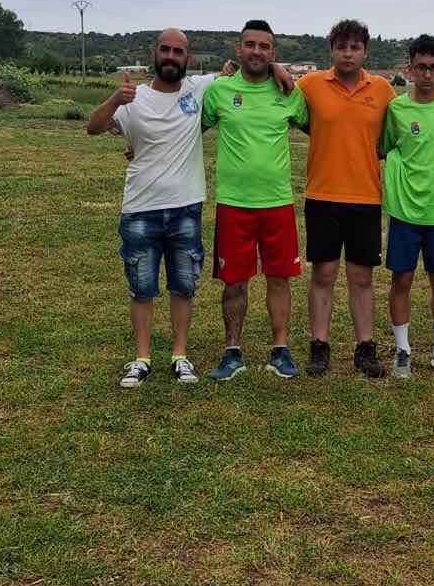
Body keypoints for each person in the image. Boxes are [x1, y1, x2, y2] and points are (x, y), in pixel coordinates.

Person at [86, 29, 213, 388]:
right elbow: (93, 127)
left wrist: (279, 70)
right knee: (141, 287)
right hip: (140, 208)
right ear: (153, 53)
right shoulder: (132, 98)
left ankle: (180, 355)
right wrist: (115, 99)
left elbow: (242, 71)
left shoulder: (198, 89)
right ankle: (141, 359)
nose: (171, 56)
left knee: (184, 285)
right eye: (165, 50)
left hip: (186, 206)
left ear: (188, 58)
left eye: (178, 51)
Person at [200, 20, 310, 381]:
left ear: (273, 53)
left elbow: (321, 127)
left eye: (264, 47)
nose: (256, 51)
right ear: (238, 49)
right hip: (234, 203)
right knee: (235, 281)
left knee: (280, 278)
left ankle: (280, 351)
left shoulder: (288, 92)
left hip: (277, 202)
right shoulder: (219, 90)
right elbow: (186, 130)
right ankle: (232, 352)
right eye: (250, 45)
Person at [296, 18, 395, 378]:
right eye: (341, 47)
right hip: (322, 194)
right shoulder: (309, 85)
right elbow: (279, 95)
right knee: (323, 273)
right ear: (332, 51)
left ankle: (365, 348)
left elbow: (398, 128)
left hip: (365, 196)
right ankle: (319, 346)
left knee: (361, 277)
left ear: (365, 51)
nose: (348, 53)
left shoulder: (382, 89)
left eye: (355, 47)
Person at [380, 35, 434, 378]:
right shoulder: (397, 109)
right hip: (405, 210)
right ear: (410, 69)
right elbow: (385, 146)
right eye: (421, 68)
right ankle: (402, 351)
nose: (428, 74)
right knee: (401, 280)